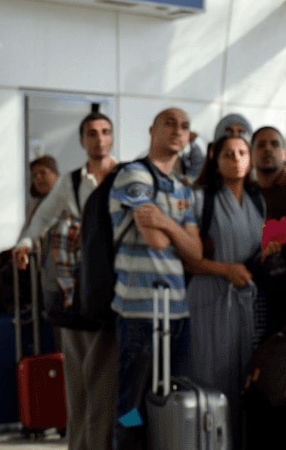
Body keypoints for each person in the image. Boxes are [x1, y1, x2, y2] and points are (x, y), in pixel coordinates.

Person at [11, 113, 118, 450]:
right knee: (77, 379)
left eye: (104, 132)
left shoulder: (125, 176)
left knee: (106, 382)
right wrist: (25, 245)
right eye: (91, 133)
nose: (98, 139)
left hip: (115, 292)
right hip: (74, 292)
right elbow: (41, 220)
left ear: (112, 137)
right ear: (82, 140)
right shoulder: (71, 182)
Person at [111, 107, 203, 450]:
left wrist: (164, 221)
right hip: (139, 314)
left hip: (176, 313)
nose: (178, 130)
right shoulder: (133, 176)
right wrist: (172, 230)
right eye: (170, 123)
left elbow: (195, 254)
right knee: (131, 406)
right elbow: (157, 241)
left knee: (167, 404)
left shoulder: (183, 189)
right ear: (151, 130)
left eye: (185, 126)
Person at [185, 134, 264, 447]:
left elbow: (263, 248)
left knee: (240, 381)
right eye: (228, 154)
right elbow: (188, 259)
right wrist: (224, 270)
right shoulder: (200, 199)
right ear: (215, 160)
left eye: (243, 152)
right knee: (207, 378)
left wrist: (267, 254)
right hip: (207, 297)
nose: (237, 159)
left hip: (244, 300)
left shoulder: (258, 199)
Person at [251, 126, 286, 335]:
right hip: (253, 289)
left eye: (274, 144)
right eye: (260, 145)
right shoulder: (245, 195)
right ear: (251, 154)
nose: (268, 150)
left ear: (284, 153)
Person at [26, 154, 60, 222]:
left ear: (55, 174)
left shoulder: (69, 199)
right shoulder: (32, 206)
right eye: (34, 175)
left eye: (43, 173)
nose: (38, 178)